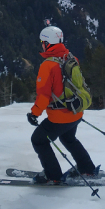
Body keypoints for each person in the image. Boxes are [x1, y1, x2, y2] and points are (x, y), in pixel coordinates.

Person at [27, 25, 97, 184]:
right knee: (68, 138)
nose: (41, 44)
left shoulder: (48, 66)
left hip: (59, 117)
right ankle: (87, 168)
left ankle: (53, 176)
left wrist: (34, 114)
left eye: (42, 42)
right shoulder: (71, 58)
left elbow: (43, 96)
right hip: (76, 112)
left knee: (39, 140)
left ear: (47, 43)